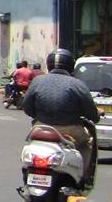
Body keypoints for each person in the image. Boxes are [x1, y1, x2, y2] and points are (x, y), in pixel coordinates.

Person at [22, 49, 100, 187]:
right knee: (87, 143)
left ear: (49, 65)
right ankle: (83, 178)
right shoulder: (77, 84)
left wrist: (41, 117)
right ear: (71, 65)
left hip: (41, 127)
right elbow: (92, 114)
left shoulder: (37, 81)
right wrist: (95, 115)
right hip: (70, 129)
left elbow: (27, 107)